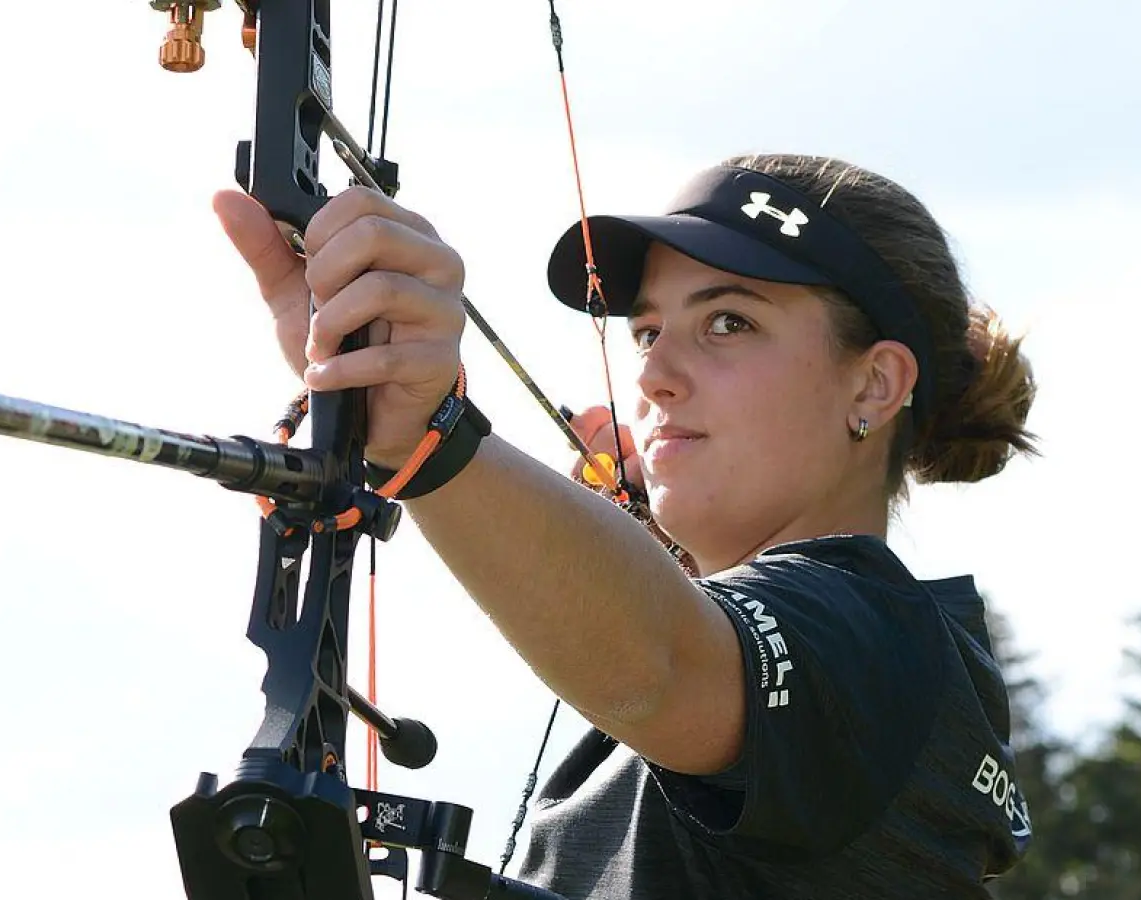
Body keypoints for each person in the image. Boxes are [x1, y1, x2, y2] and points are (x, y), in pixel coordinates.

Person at [211, 151, 1039, 898]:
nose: (654, 375)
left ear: (873, 386)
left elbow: (663, 666)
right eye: (646, 330)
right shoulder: (816, 685)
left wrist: (429, 441)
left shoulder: (874, 638)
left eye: (728, 322)